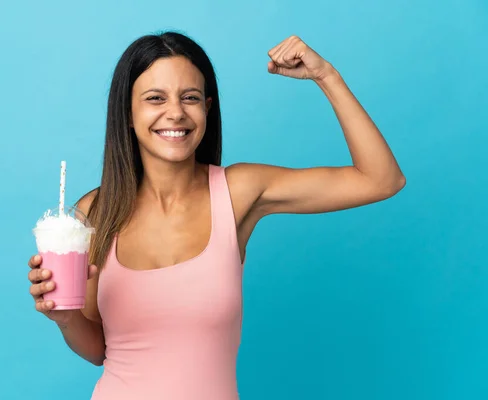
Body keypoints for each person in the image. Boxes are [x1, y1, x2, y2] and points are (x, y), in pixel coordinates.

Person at [27, 31, 405, 399]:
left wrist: (327, 76)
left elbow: (381, 180)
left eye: (190, 97)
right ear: (128, 112)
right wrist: (65, 318)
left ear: (207, 107)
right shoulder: (95, 211)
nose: (175, 113)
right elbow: (98, 349)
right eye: (155, 98)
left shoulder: (238, 193)